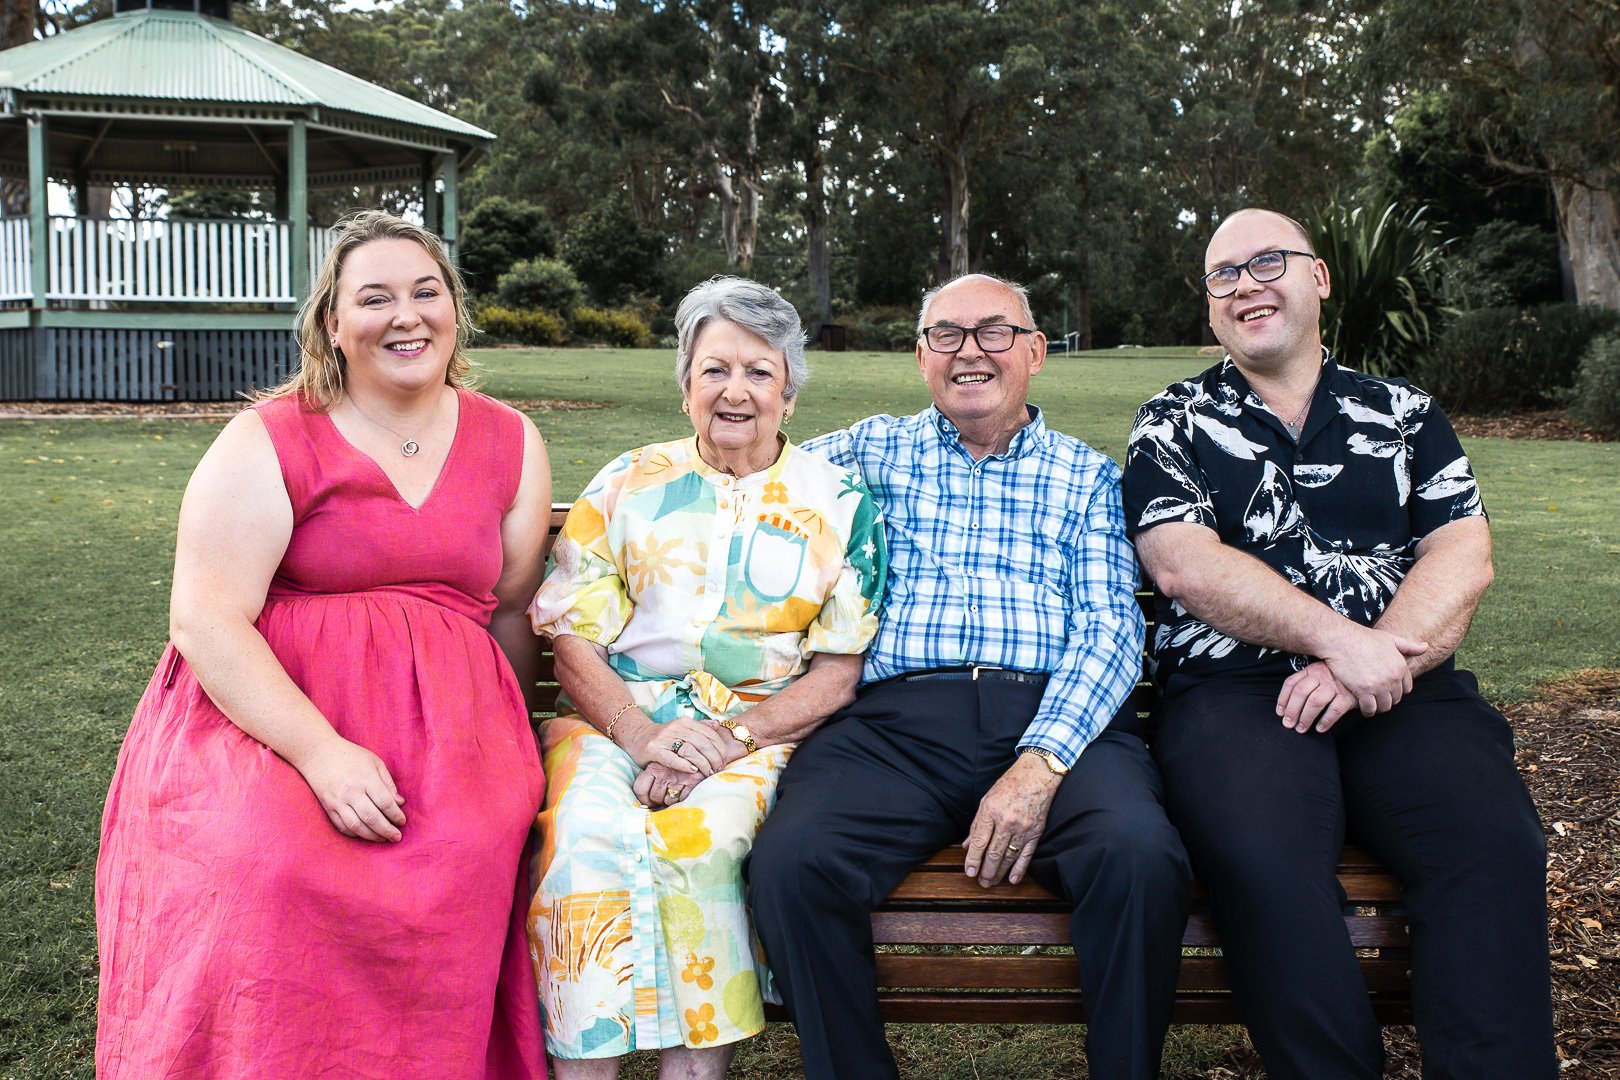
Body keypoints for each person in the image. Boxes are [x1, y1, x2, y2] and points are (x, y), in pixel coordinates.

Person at [96, 210, 552, 1079]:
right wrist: (323, 755)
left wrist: (511, 746)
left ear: (455, 311)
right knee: (271, 866)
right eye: (373, 298)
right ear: (333, 325)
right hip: (275, 721)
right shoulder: (271, 436)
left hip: (454, 734)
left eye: (427, 292)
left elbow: (508, 611)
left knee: (467, 850)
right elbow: (206, 618)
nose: (406, 315)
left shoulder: (510, 441)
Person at [1122, 207, 1556, 1079]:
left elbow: (1460, 551)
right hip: (1236, 695)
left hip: (1404, 685)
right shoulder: (1170, 422)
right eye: (1224, 275)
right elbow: (1183, 566)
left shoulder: (1402, 412)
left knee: (1489, 843)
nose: (1247, 284)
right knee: (1264, 863)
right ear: (1211, 308)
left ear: (1319, 278)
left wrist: (1375, 655)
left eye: (1268, 262)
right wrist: (1335, 641)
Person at [747, 273, 1192, 1080]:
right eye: (946, 335)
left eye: (994, 332)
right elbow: (743, 479)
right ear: (922, 357)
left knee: (1137, 855)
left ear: (1035, 352)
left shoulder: (1087, 476)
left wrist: (1041, 761)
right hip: (894, 728)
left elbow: (1108, 627)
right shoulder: (861, 452)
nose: (970, 352)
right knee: (794, 860)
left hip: (1057, 721)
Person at [526, 276, 887, 1080]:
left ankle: (695, 1074)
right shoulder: (625, 483)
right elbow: (574, 640)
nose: (736, 390)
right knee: (584, 845)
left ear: (789, 394)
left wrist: (722, 742)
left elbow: (834, 676)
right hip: (613, 720)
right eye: (715, 369)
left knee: (701, 845)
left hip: (758, 732)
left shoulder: (838, 503)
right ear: (685, 385)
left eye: (760, 372)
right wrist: (643, 734)